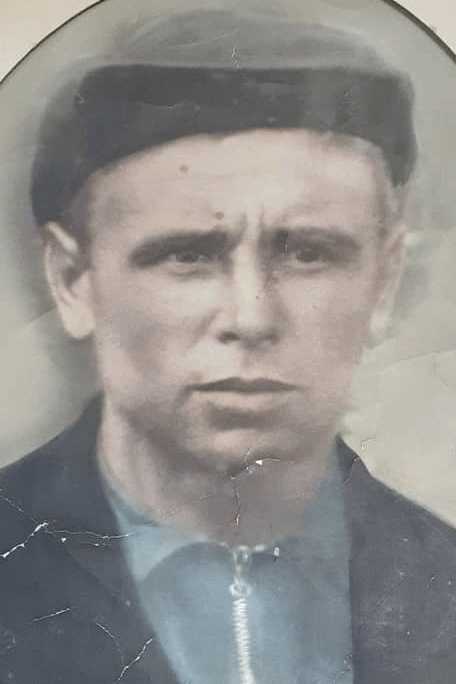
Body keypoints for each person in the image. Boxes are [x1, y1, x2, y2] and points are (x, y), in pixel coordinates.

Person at [1, 9, 456, 684]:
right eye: (188, 254)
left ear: (384, 280)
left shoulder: (442, 579)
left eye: (309, 253)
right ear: (72, 280)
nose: (251, 317)